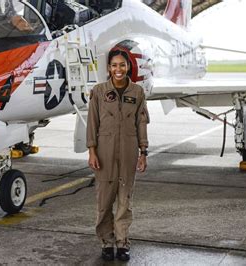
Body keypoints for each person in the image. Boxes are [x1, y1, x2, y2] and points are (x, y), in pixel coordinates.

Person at [86, 48, 150, 261]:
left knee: (125, 200)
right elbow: (92, 124)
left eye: (122, 65)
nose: (118, 69)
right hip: (104, 152)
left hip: (129, 151)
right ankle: (106, 242)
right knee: (104, 201)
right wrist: (92, 151)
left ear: (128, 67)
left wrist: (144, 151)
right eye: (114, 65)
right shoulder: (99, 92)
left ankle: (122, 243)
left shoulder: (137, 92)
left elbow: (141, 123)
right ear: (109, 68)